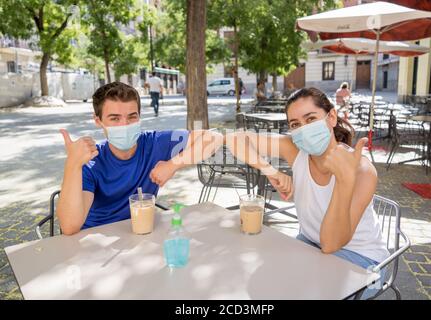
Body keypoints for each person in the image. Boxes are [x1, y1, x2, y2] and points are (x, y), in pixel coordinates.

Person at [225, 87, 389, 299]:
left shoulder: (362, 171)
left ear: (331, 117)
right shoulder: (295, 150)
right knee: (261, 282)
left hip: (363, 262)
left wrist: (344, 180)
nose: (303, 129)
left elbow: (331, 244)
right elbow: (234, 139)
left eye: (310, 119)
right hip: (311, 245)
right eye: (295, 125)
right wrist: (270, 170)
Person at [57, 82, 223, 235]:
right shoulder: (91, 162)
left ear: (139, 116)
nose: (125, 125)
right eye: (115, 118)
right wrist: (72, 163)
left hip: (141, 236)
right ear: (98, 120)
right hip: (96, 240)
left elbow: (214, 138)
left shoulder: (154, 143)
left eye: (132, 116)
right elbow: (70, 226)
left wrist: (173, 165)